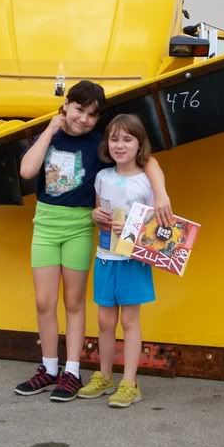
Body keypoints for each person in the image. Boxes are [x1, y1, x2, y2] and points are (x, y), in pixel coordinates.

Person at [15, 83, 171, 402]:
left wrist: (163, 193)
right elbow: (27, 170)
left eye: (91, 115)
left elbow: (147, 160)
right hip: (45, 225)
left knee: (74, 302)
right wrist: (51, 127)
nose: (84, 119)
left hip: (79, 226)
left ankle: (72, 371)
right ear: (66, 106)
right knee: (44, 301)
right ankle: (48, 368)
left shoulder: (100, 144)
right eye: (78, 110)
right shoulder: (51, 136)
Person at [77, 114, 158, 408]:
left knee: (129, 320)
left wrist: (135, 231)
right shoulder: (102, 177)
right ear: (106, 144)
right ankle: (105, 375)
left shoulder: (147, 180)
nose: (120, 145)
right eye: (114, 139)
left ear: (139, 144)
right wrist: (94, 216)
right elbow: (100, 215)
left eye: (127, 139)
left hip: (132, 260)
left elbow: (158, 226)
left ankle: (130, 383)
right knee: (104, 320)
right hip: (105, 257)